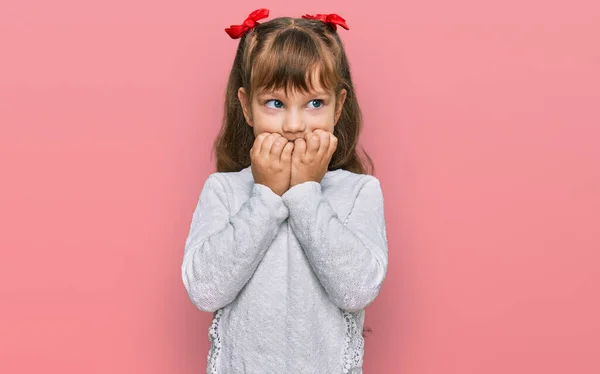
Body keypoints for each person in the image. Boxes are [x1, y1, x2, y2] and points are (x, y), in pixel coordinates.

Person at [181, 8, 388, 374]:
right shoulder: (224, 190)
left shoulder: (360, 192)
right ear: (247, 106)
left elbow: (356, 291)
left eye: (314, 103)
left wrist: (307, 190)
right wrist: (265, 195)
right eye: (275, 103)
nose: (294, 125)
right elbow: (204, 291)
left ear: (338, 106)